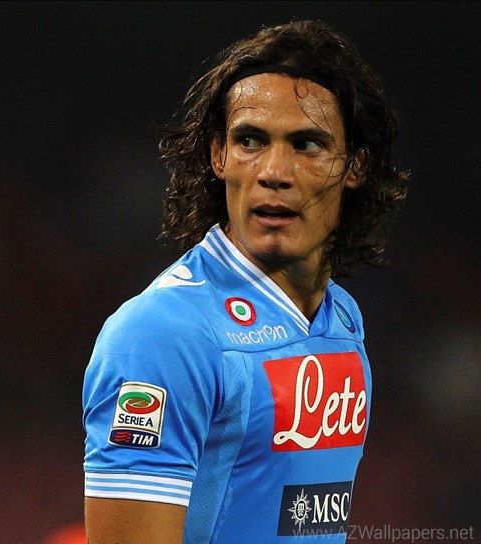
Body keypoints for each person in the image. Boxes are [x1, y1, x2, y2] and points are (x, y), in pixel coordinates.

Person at [81, 20, 409, 543]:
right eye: (251, 140)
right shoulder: (162, 336)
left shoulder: (341, 318)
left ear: (354, 165)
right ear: (219, 155)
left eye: (307, 144)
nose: (273, 171)